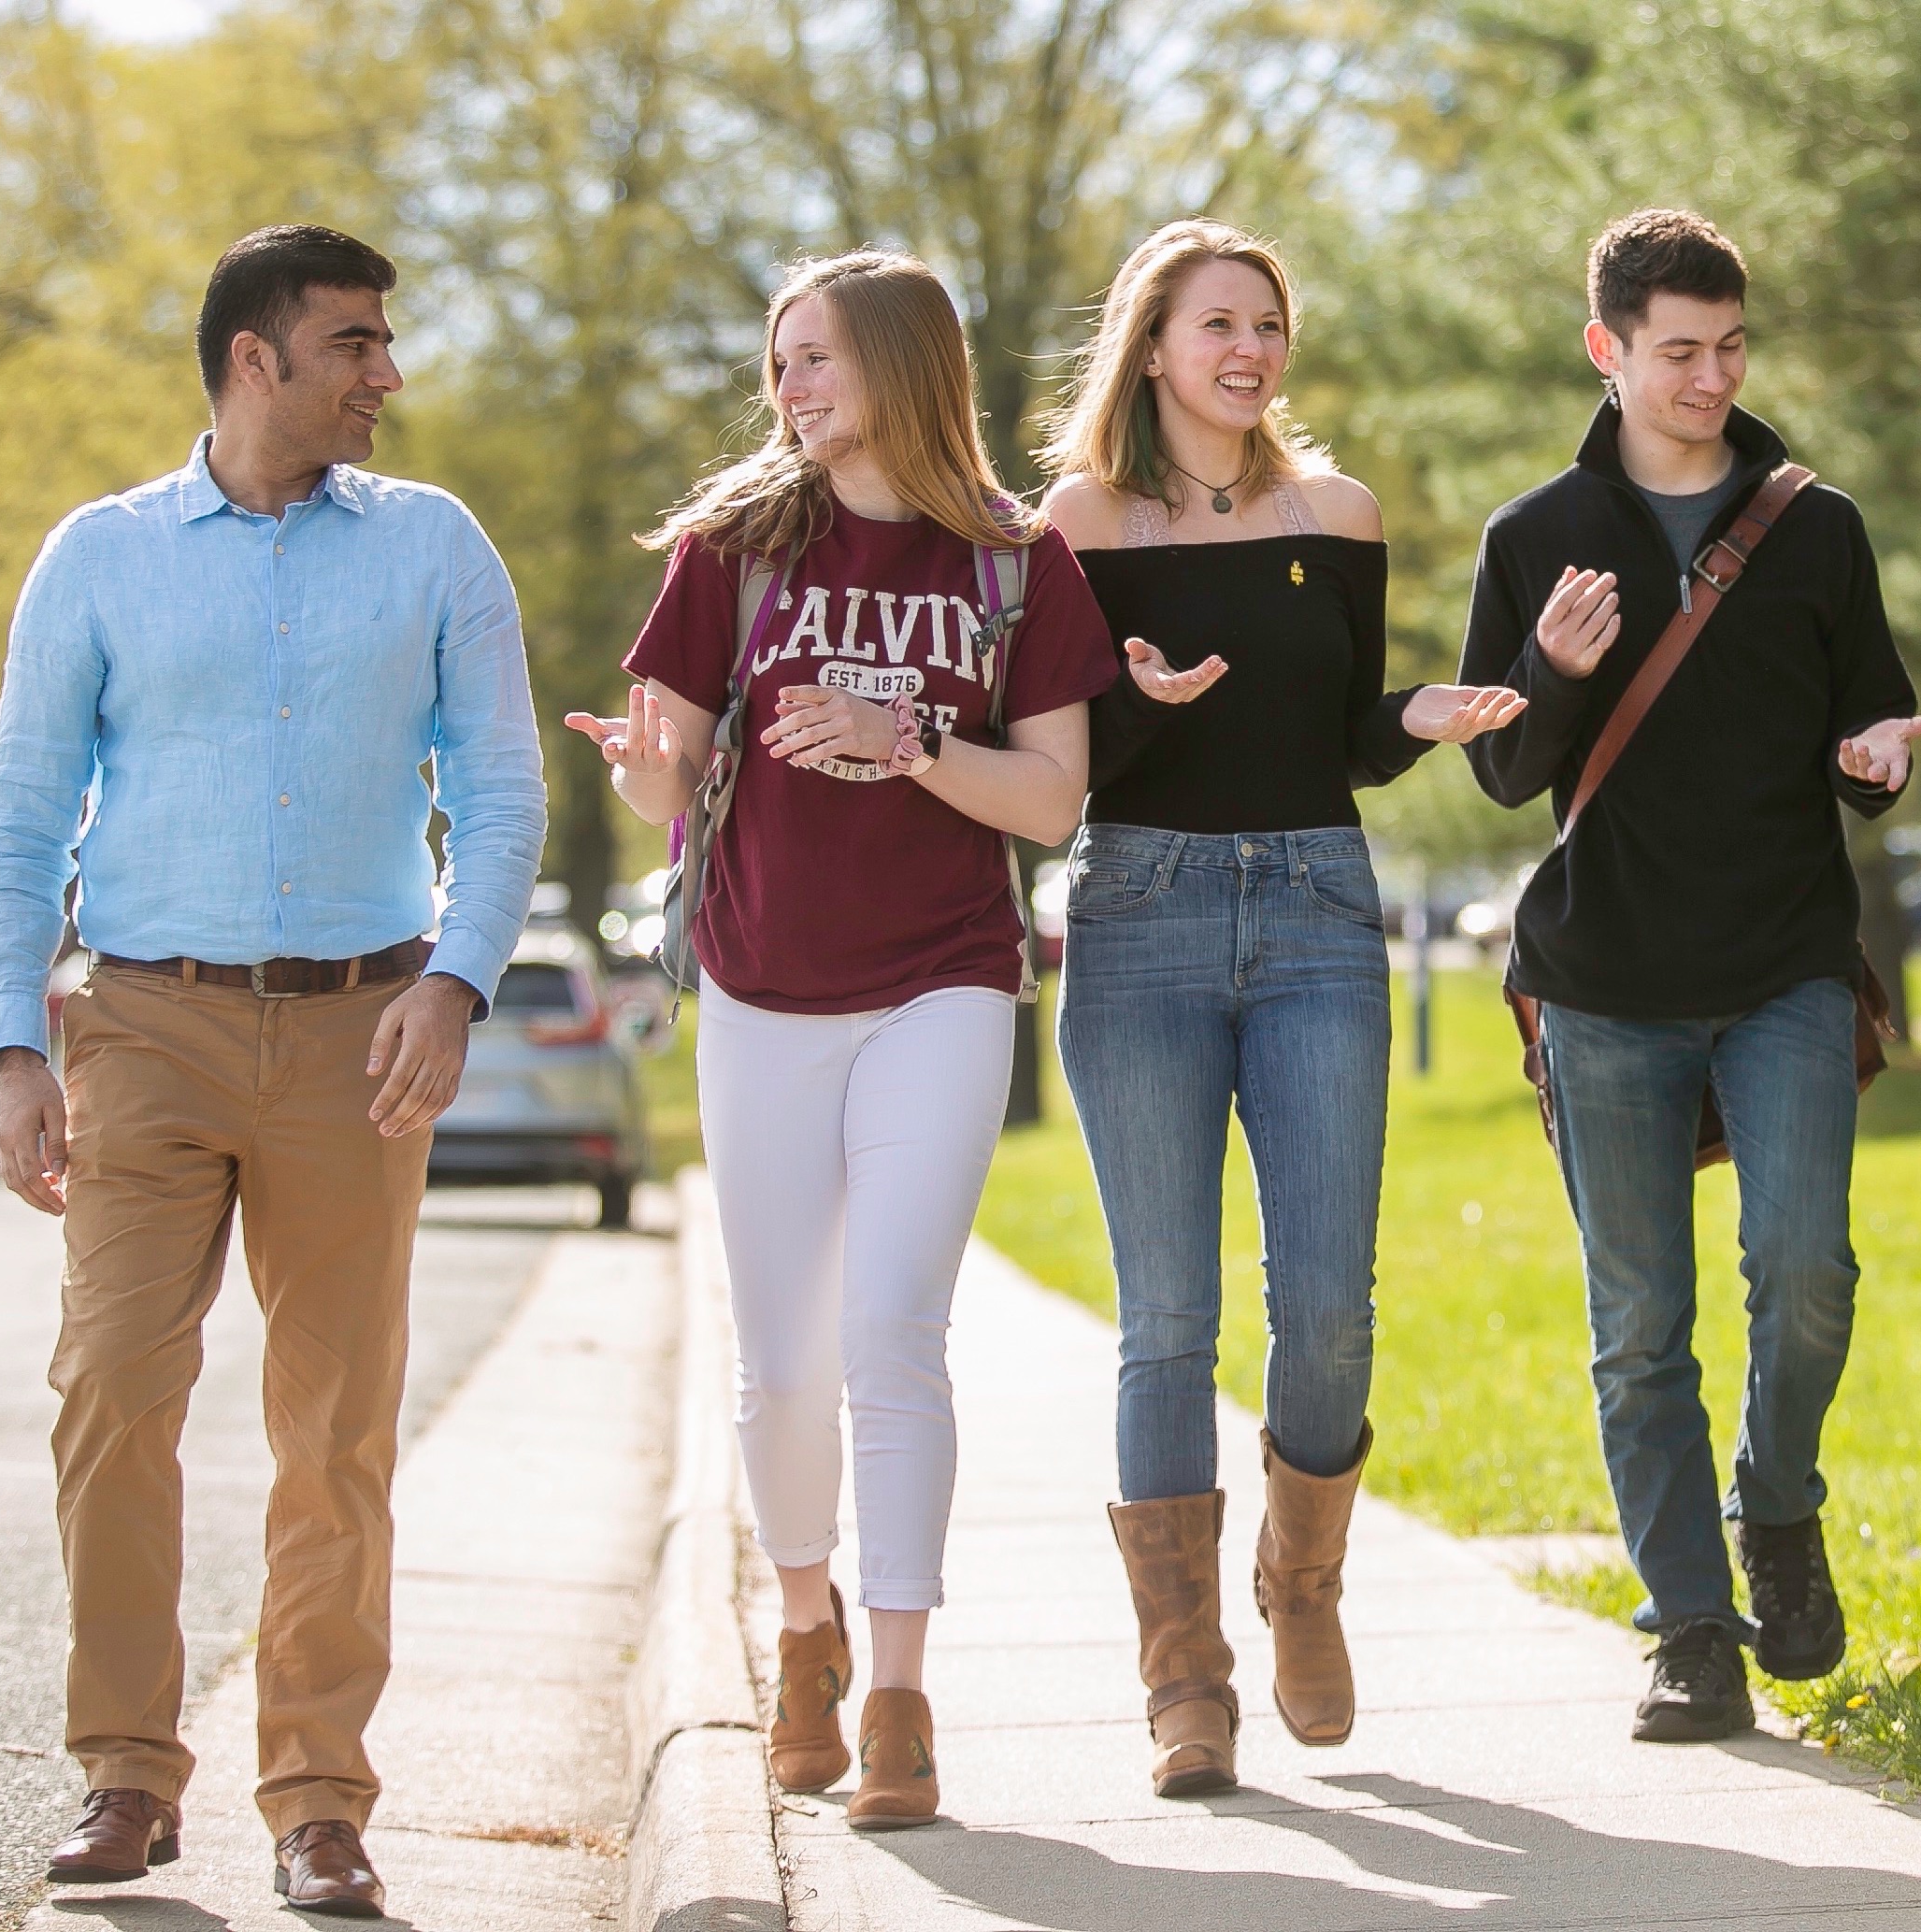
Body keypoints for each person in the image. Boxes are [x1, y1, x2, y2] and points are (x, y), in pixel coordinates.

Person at [0, 224, 546, 1918]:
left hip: (364, 1033)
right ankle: (126, 1773)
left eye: (385, 341)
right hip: (142, 1025)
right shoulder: (99, 558)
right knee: (113, 1397)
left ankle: (317, 1796)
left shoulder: (436, 547)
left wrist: (457, 982)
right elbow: (20, 821)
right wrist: (14, 1043)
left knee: (337, 1428)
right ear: (253, 360)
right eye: (355, 342)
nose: (388, 372)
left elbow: (502, 791)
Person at [566, 251, 1116, 1831]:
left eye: (814, 358)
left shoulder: (1017, 566)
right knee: (786, 1355)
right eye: (777, 361)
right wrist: (642, 768)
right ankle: (800, 1627)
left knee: (893, 1334)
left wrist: (909, 739)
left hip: (943, 980)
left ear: (898, 363)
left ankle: (897, 1691)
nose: (788, 388)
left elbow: (1052, 800)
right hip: (757, 986)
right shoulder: (729, 549)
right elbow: (668, 795)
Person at [1038, 220, 1527, 1798]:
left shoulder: (1339, 513)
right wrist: (1132, 698)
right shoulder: (1077, 518)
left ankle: (1302, 1584)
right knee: (1167, 1320)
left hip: (1319, 906)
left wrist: (1420, 718)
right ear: (1154, 345)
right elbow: (1055, 751)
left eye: (1267, 325)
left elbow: (1339, 736)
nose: (1248, 350)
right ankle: (1185, 1675)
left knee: (1326, 1305)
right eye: (1216, 324)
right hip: (1142, 912)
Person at [1459, 208, 1921, 1743]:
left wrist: (1877, 759)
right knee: (1639, 1318)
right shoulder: (1533, 538)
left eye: (1731, 349)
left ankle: (1776, 1508)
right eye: (1679, 353)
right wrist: (1556, 672)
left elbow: (1873, 726)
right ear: (1607, 349)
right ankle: (1688, 1630)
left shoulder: (1817, 527)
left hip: (1788, 958)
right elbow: (1508, 774)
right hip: (1604, 983)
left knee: (1806, 1271)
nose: (1710, 378)